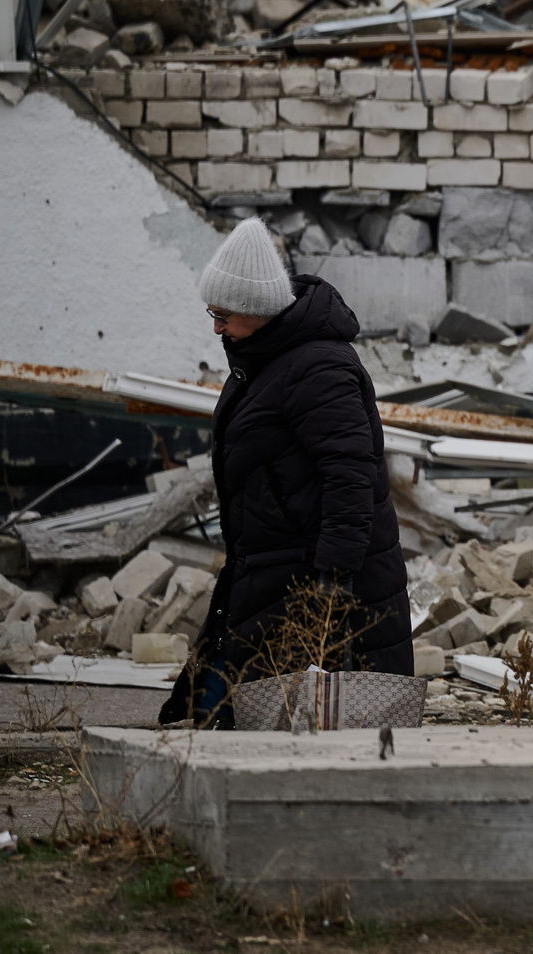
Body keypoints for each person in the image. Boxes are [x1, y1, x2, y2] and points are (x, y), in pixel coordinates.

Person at [158, 219, 412, 726]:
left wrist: (333, 580)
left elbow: (351, 474)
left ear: (258, 309)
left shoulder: (318, 368)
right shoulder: (261, 362)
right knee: (236, 714)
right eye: (212, 314)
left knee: (308, 727)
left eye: (223, 315)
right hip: (269, 574)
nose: (215, 327)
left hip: (317, 582)